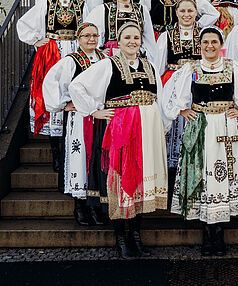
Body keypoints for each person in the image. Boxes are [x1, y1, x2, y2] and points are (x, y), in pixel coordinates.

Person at [69, 22, 168, 259]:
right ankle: (121, 238)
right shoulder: (108, 64)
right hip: (121, 132)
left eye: (136, 38)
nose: (132, 42)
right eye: (127, 38)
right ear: (119, 41)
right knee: (121, 181)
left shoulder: (150, 66)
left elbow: (161, 99)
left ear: (141, 41)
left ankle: (135, 236)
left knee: (142, 183)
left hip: (147, 131)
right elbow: (77, 85)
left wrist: (162, 127)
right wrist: (93, 111)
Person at [161, 27, 238, 256]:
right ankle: (206, 232)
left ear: (221, 44)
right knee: (203, 176)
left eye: (214, 42)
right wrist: (181, 110)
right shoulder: (191, 69)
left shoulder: (233, 68)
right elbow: (170, 93)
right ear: (200, 45)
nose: (209, 46)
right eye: (205, 42)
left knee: (222, 177)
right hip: (201, 126)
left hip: (226, 126)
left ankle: (219, 232)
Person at [17, 0, 85, 174]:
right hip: (52, 53)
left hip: (74, 52)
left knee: (73, 95)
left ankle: (72, 150)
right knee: (53, 97)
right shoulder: (46, 4)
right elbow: (23, 23)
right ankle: (56, 154)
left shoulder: (81, 5)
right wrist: (36, 41)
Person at [42, 22, 107, 226]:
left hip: (100, 117)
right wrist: (62, 104)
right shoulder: (71, 61)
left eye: (95, 35)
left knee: (97, 158)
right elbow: (51, 81)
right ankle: (80, 206)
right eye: (87, 35)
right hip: (79, 118)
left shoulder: (105, 60)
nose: (91, 39)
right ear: (78, 39)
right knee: (80, 157)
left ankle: (95, 205)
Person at [153, 0, 203, 172]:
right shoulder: (166, 36)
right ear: (176, 13)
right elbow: (159, 67)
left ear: (196, 12)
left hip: (196, 84)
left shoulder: (204, 35)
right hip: (172, 83)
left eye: (190, 11)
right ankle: (172, 169)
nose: (186, 14)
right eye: (182, 11)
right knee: (173, 124)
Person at [84, 0, 155, 53]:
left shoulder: (141, 10)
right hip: (112, 56)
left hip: (134, 55)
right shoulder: (103, 9)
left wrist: (144, 53)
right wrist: (99, 52)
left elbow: (149, 39)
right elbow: (89, 31)